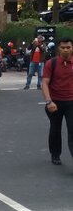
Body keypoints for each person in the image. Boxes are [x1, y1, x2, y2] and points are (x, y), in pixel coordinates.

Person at [41, 37, 73, 165]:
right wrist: (49, 101)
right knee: (55, 129)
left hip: (71, 102)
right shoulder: (51, 63)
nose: (66, 50)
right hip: (55, 103)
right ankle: (55, 154)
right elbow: (44, 82)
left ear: (72, 48)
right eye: (63, 47)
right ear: (59, 49)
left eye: (68, 47)